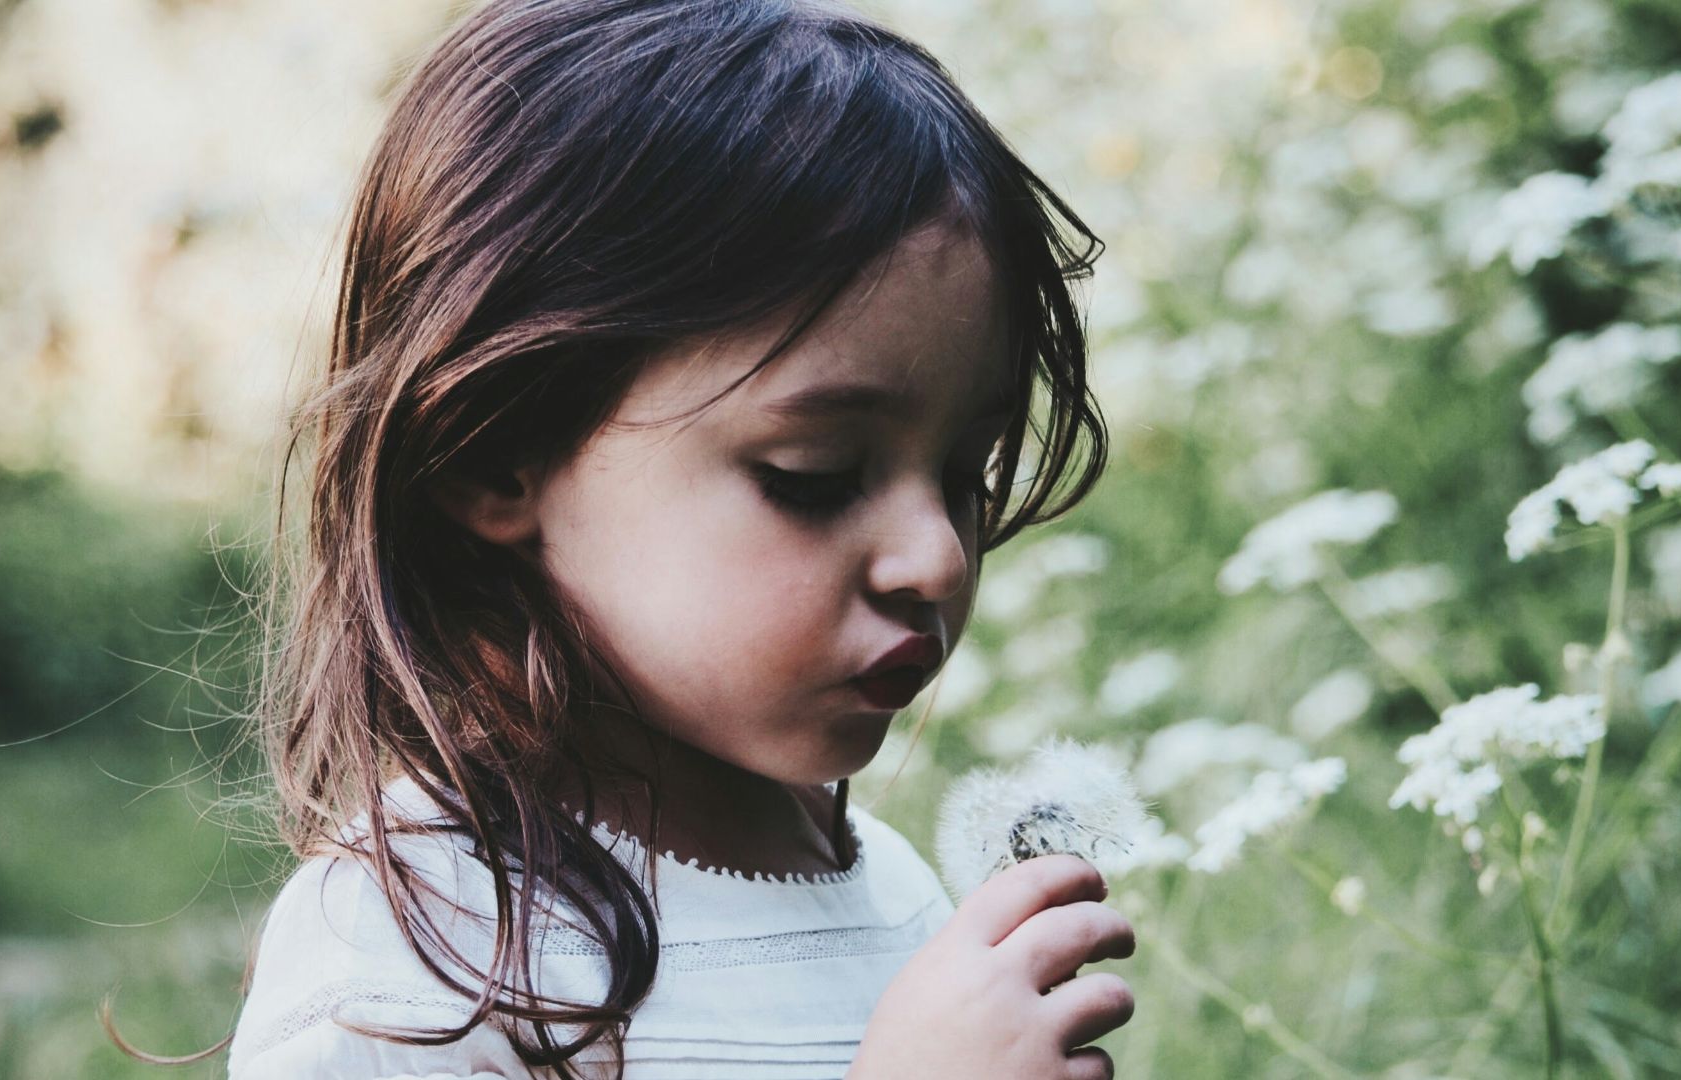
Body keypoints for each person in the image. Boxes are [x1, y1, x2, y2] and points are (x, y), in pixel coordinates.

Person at [221, 0, 1133, 1076]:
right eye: (817, 477)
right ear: (491, 456)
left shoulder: (894, 896)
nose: (937, 556)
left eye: (965, 475)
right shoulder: (410, 969)